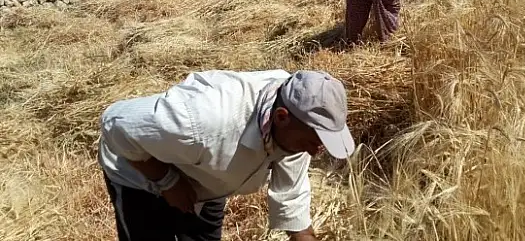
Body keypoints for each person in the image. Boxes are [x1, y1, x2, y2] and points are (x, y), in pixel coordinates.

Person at [98, 69, 355, 241]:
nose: (314, 151)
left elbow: (291, 197)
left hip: (210, 180)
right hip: (141, 177)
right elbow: (115, 125)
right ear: (281, 118)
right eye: (312, 142)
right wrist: (167, 181)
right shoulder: (202, 119)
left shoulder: (298, 124)